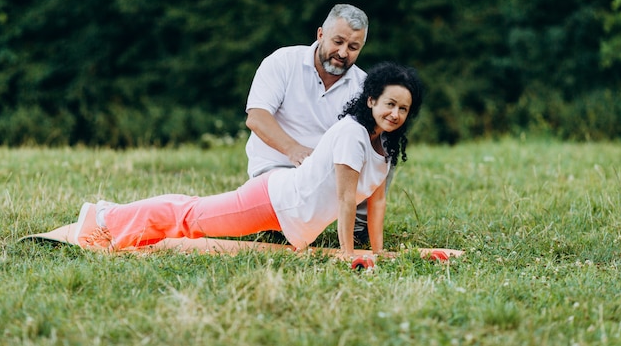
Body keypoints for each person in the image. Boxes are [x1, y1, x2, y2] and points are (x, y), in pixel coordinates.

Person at [73, 62, 423, 259]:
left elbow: (376, 203)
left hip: (293, 215)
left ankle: (114, 216)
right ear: (372, 100)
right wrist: (349, 254)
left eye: (403, 109)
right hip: (277, 200)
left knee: (193, 213)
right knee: (191, 217)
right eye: (389, 104)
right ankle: (105, 216)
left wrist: (377, 252)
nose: (394, 113)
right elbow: (347, 199)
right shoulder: (353, 134)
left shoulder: (387, 147)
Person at [245, 3, 374, 245]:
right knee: (281, 205)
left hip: (326, 177)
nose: (343, 53)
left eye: (353, 47)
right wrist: (294, 150)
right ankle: (273, 225)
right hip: (276, 170)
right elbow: (257, 117)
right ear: (320, 34)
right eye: (338, 42)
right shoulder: (283, 61)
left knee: (382, 149)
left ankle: (358, 229)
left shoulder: (364, 86)